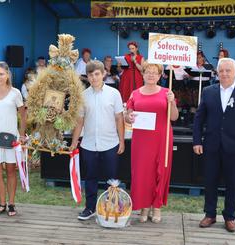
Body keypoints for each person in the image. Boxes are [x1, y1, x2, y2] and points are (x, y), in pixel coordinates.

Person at [193, 58, 235, 232]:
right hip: (211, 145)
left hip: (234, 147)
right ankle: (210, 214)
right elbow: (199, 119)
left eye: (228, 70)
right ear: (217, 73)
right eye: (221, 70)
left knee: (232, 184)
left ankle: (229, 216)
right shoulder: (208, 92)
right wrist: (197, 141)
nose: (224, 73)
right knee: (210, 181)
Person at [70, 60, 125, 220]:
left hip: (110, 144)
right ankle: (90, 208)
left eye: (97, 74)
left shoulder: (114, 93)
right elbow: (79, 121)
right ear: (87, 77)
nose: (94, 78)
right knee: (90, 178)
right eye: (90, 75)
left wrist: (121, 141)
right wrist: (74, 142)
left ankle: (112, 208)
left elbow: (119, 118)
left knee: (112, 180)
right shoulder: (83, 96)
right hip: (88, 145)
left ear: (103, 74)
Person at [125, 62, 178, 223]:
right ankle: (144, 207)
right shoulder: (135, 94)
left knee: (160, 170)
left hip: (162, 137)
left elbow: (174, 117)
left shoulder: (166, 93)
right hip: (141, 140)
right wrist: (130, 117)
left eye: (155, 72)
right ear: (143, 74)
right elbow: (128, 115)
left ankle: (156, 207)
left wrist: (172, 101)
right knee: (142, 172)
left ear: (160, 75)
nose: (151, 75)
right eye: (148, 72)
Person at [0, 61, 27, 216]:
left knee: (10, 171)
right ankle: (2, 203)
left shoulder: (15, 93)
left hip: (11, 139)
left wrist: (21, 135)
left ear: (8, 74)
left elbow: (23, 115)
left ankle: (12, 204)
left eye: (1, 74)